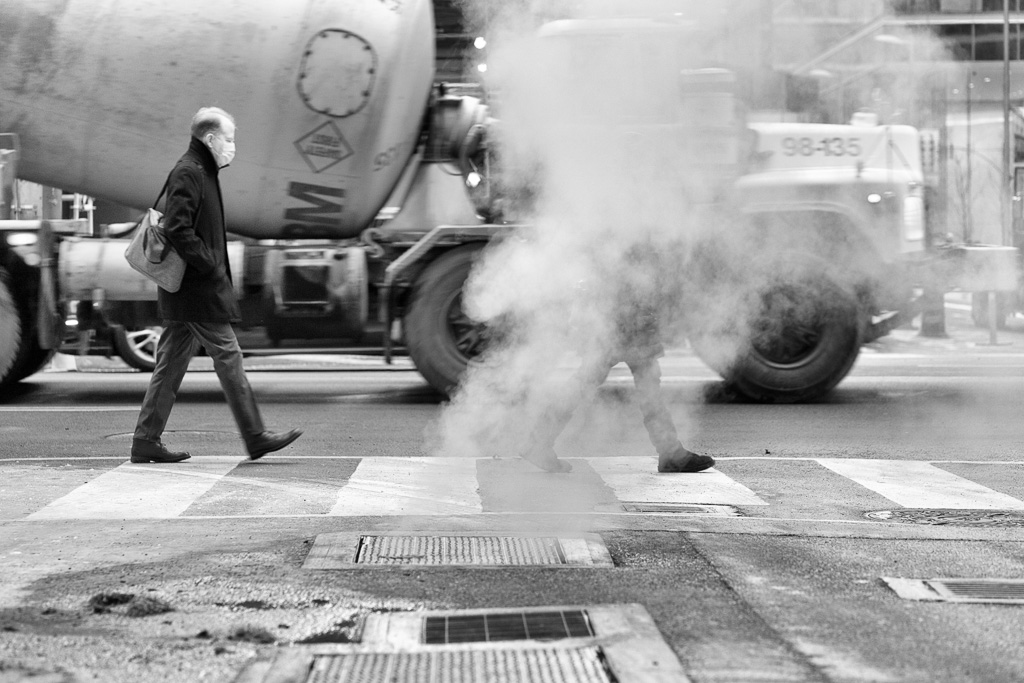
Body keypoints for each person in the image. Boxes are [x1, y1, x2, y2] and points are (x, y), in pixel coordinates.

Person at [130, 107, 302, 464]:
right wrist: (209, 265)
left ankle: (146, 440)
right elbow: (178, 229)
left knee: (170, 365)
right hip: (196, 290)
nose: (233, 146)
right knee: (229, 356)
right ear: (210, 139)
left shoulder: (201, 171)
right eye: (229, 139)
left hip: (190, 290)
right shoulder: (189, 173)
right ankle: (255, 436)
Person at [523, 243, 714, 474]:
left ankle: (539, 441)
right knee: (643, 384)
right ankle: (671, 453)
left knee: (600, 380)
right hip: (623, 315)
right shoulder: (631, 232)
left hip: (618, 312)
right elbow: (634, 266)